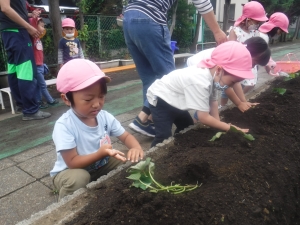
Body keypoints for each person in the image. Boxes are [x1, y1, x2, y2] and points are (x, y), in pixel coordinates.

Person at [123, 0, 228, 137]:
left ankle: (151, 121)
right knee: (169, 78)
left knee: (148, 77)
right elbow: (201, 2)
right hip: (151, 17)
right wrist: (217, 30)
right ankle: (143, 118)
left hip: (128, 17)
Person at [50, 59, 144, 200]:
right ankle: (67, 207)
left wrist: (136, 147)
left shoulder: (104, 117)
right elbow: (72, 162)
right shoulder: (64, 126)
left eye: (101, 96)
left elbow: (125, 136)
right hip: (71, 171)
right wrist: (99, 154)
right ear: (66, 99)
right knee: (79, 178)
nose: (96, 104)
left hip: (100, 165)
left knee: (130, 159)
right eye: (88, 100)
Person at [146, 41, 254, 147]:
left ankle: (178, 147)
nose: (231, 86)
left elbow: (213, 102)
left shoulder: (214, 76)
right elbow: (203, 117)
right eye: (232, 82)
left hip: (175, 99)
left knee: (186, 127)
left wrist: (219, 125)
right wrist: (229, 128)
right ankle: (150, 159)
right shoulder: (200, 81)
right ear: (220, 70)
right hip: (161, 99)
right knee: (164, 135)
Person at [187, 36, 270, 122]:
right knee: (203, 102)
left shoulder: (238, 57)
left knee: (209, 100)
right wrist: (239, 104)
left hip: (212, 72)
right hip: (195, 67)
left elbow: (235, 82)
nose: (252, 66)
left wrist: (244, 102)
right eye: (254, 63)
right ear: (248, 53)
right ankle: (197, 121)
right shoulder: (230, 57)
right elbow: (227, 86)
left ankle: (202, 119)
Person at [0, 0, 51, 120]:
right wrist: (28, 27)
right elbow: (5, 8)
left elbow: (11, 9)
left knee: (15, 70)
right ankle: (31, 110)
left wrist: (30, 15)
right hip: (18, 32)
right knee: (26, 70)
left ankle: (22, 105)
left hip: (8, 32)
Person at [220, 1, 268, 107]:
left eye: (259, 23)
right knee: (229, 84)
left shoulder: (255, 33)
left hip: (249, 63)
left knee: (249, 83)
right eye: (257, 22)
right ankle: (222, 106)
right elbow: (230, 48)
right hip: (236, 62)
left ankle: (239, 100)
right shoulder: (235, 31)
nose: (257, 24)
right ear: (248, 19)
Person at [29, 16, 59, 109]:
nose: (44, 29)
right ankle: (50, 100)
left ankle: (39, 102)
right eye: (41, 26)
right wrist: (35, 16)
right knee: (42, 85)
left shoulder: (38, 39)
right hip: (36, 66)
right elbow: (32, 22)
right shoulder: (32, 38)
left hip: (40, 65)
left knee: (38, 85)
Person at [258, 12, 290, 77]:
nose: (279, 34)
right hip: (246, 66)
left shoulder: (263, 35)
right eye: (280, 31)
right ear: (275, 27)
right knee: (249, 84)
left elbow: (266, 56)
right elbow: (264, 56)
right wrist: (275, 68)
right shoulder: (263, 37)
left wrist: (270, 71)